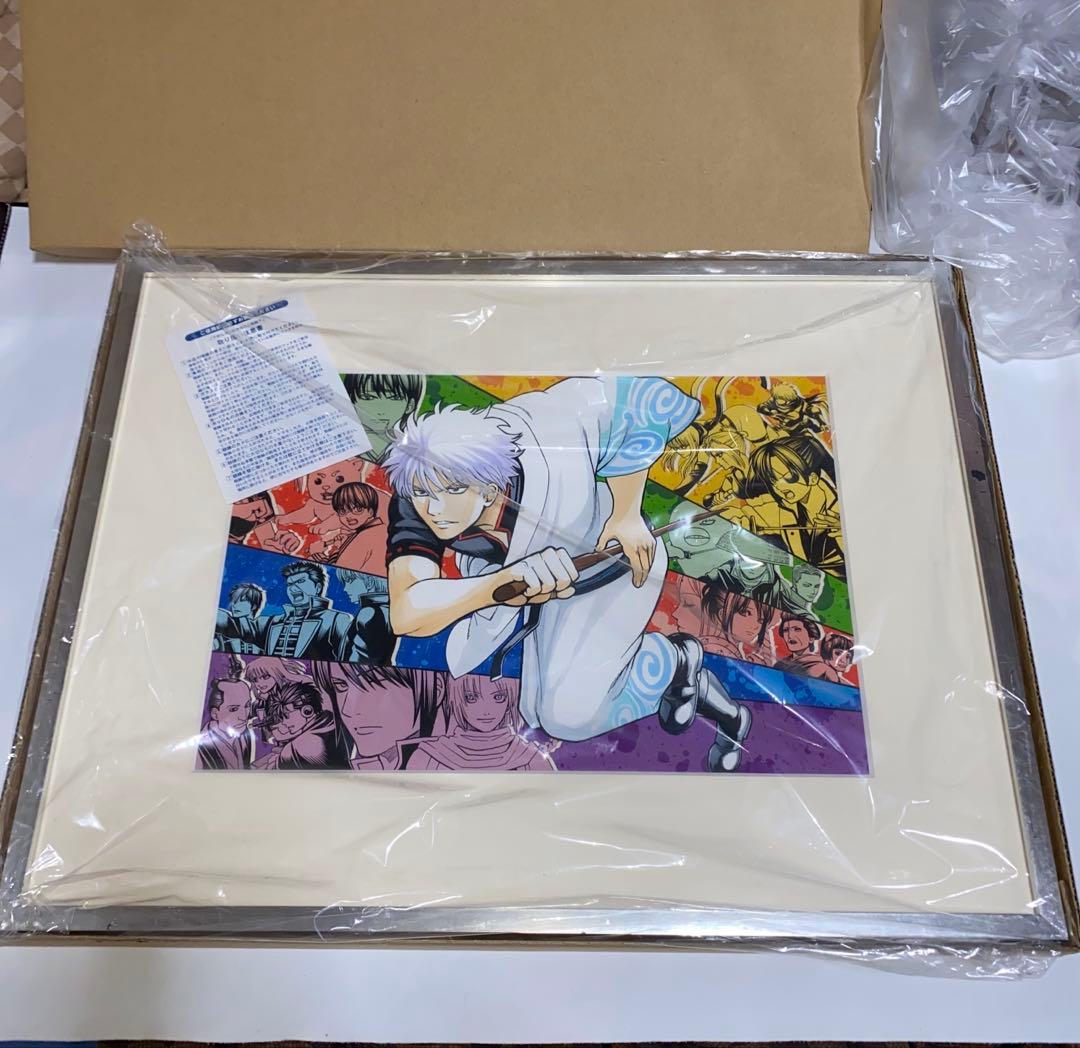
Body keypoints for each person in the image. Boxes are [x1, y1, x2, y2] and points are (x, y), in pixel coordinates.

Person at [383, 378, 753, 772]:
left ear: (489, 489)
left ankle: (675, 660)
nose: (434, 509)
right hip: (545, 589)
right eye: (423, 495)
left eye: (454, 490)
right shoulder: (416, 490)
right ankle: (707, 696)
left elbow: (639, 400)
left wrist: (626, 513)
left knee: (567, 717)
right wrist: (498, 585)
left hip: (616, 565)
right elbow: (407, 612)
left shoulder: (543, 440)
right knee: (534, 713)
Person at [740, 434, 845, 578]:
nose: (779, 487)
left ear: (813, 478)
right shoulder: (787, 510)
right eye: (773, 481)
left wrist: (843, 535)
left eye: (787, 477)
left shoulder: (841, 512)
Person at [311, 661, 444, 770]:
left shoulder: (438, 765)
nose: (347, 710)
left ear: (434, 690)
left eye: (372, 684)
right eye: (340, 686)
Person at [407, 675, 555, 771]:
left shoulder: (532, 758)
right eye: (471, 698)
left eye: (498, 697)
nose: (486, 711)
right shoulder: (428, 756)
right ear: (457, 698)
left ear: (511, 698)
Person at [259, 562, 355, 660]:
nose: (293, 588)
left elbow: (350, 660)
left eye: (301, 581)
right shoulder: (274, 621)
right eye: (290, 584)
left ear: (318, 587)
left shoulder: (337, 619)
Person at [261, 680, 351, 770]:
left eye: (286, 716)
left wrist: (278, 760)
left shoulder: (298, 747)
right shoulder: (332, 722)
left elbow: (273, 772)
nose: (284, 723)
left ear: (307, 711)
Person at [344, 373, 425, 463]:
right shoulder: (345, 450)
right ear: (351, 401)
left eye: (394, 398)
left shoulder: (414, 453)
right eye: (368, 397)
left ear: (410, 405)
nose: (380, 409)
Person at [699, 580, 777, 666]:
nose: (755, 625)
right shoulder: (711, 646)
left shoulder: (747, 656)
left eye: (761, 620)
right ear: (722, 614)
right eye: (746, 613)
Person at [197, 657, 256, 770]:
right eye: (233, 709)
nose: (244, 716)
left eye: (247, 705)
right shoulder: (201, 747)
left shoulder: (244, 735)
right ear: (215, 714)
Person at [317, 481, 387, 572]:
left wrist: (321, 559)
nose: (349, 516)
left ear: (370, 511)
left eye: (358, 509)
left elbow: (340, 572)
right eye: (343, 511)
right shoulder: (375, 530)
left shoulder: (367, 535)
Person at [337, 567, 395, 663]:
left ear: (369, 582)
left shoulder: (369, 612)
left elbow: (358, 662)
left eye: (349, 581)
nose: (345, 589)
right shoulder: (388, 610)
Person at [774, 615, 835, 681]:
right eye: (785, 630)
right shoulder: (779, 665)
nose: (790, 635)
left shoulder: (825, 670)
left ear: (811, 638)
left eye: (797, 629)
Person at [213, 582, 267, 654]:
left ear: (254, 606)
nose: (234, 605)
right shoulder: (227, 624)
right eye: (234, 601)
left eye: (241, 601)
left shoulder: (259, 628)